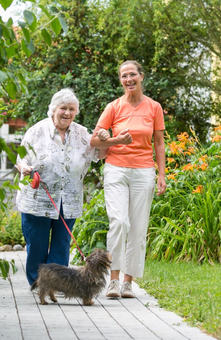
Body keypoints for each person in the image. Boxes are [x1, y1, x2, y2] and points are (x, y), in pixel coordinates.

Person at [15, 88, 110, 288]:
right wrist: (24, 167)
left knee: (61, 243)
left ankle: (56, 284)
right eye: (63, 108)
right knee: (37, 244)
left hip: (68, 198)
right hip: (38, 197)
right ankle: (37, 283)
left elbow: (99, 155)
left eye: (72, 109)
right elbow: (21, 158)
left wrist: (105, 138)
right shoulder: (37, 131)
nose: (67, 113)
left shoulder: (82, 133)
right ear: (53, 109)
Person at [90, 60, 167, 299]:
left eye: (132, 74)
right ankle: (113, 280)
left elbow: (159, 143)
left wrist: (162, 174)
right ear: (121, 80)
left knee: (138, 227)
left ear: (141, 76)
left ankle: (128, 283)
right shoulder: (113, 107)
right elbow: (94, 141)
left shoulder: (154, 107)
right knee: (119, 222)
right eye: (124, 76)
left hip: (144, 171)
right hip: (116, 169)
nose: (128, 79)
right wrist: (113, 140)